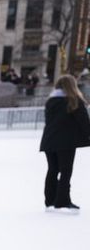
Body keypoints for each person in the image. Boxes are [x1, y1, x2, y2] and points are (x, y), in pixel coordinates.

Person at [39, 74, 90, 212]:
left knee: (53, 169)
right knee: (66, 171)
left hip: (49, 141)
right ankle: (62, 201)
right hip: (66, 142)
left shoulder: (51, 101)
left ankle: (50, 199)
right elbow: (84, 122)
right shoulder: (74, 101)